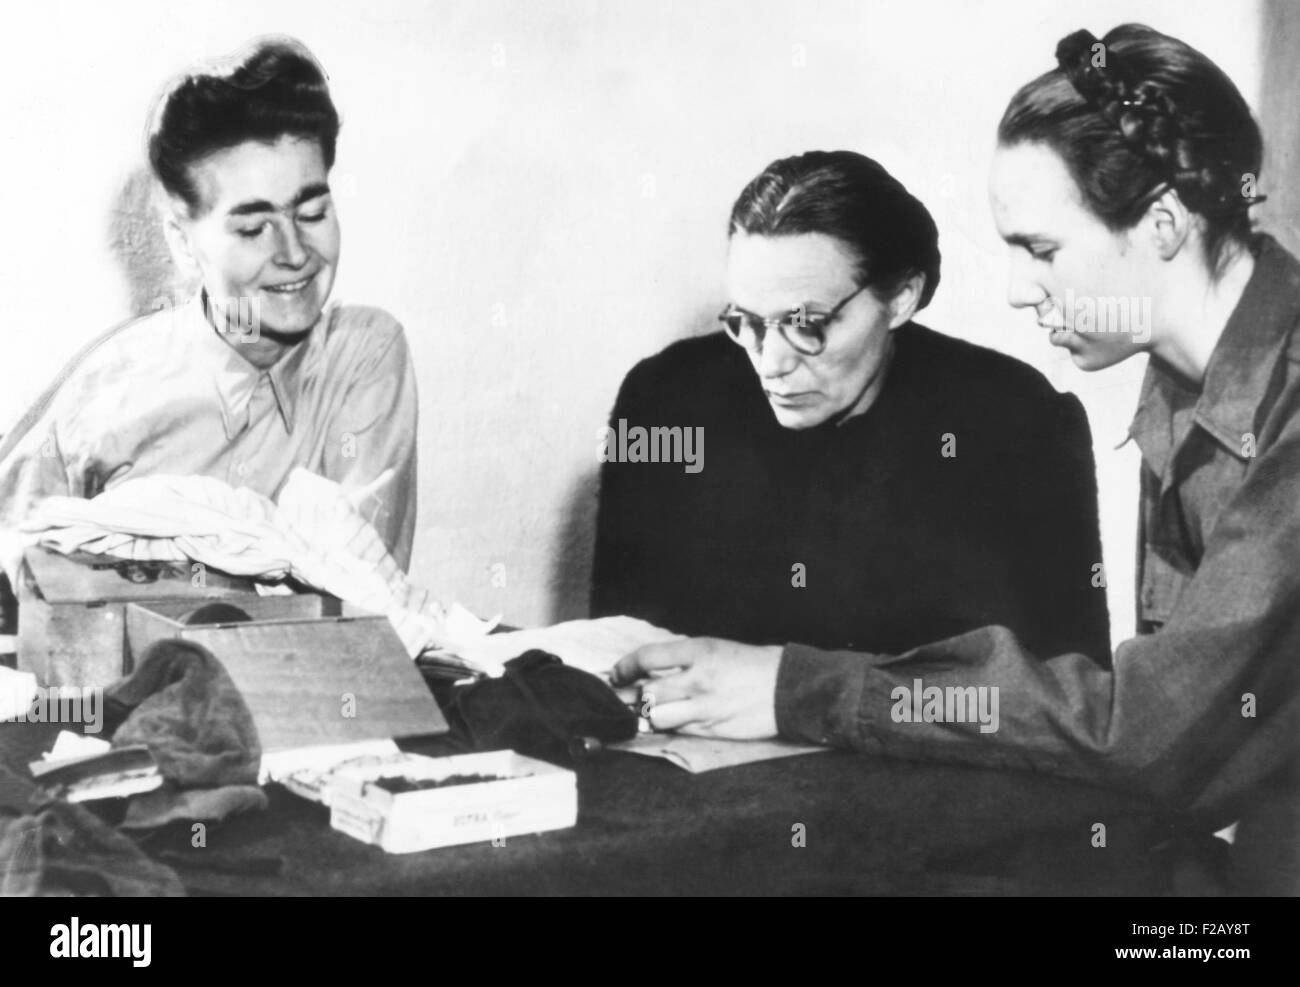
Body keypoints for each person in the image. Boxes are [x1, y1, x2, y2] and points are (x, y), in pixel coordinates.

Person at [612, 24, 1300, 894]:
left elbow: (1141, 732)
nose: (1017, 289)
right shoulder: (1183, 380)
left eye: (1041, 250)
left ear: (1162, 221)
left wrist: (801, 687)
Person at [592, 150, 1111, 665]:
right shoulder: (662, 402)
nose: (771, 363)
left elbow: (1067, 696)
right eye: (747, 322)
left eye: (808, 324)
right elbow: (619, 649)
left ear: (902, 297)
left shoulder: (1020, 424)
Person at [0, 36, 419, 584]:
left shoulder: (362, 354)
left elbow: (363, 592)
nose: (294, 255)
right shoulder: (110, 389)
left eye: (312, 213)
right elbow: (14, 573)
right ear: (181, 241)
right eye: (253, 228)